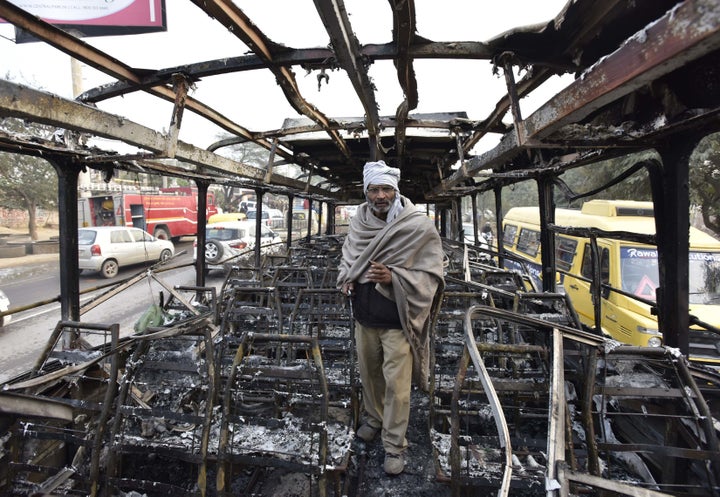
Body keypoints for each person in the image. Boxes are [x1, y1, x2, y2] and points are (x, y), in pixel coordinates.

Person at [337, 160, 445, 475]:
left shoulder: (417, 225)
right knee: (369, 376)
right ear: (366, 191)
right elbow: (349, 258)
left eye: (386, 189)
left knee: (397, 386)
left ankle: (394, 445)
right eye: (374, 189)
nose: (380, 195)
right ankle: (373, 419)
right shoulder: (358, 222)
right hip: (365, 316)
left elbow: (433, 271)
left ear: (396, 191)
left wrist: (393, 276)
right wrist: (348, 277)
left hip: (398, 319)